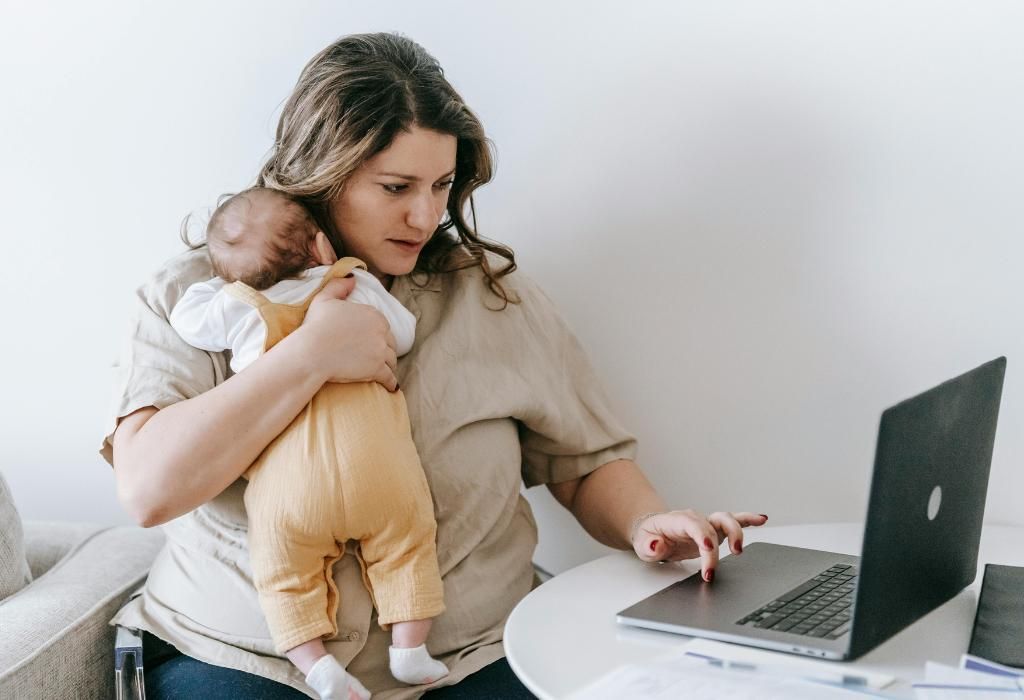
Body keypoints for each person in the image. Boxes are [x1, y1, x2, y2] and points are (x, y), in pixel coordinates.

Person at [104, 32, 767, 699]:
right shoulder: (197, 297)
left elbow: (584, 462)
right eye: (396, 187)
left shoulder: (492, 297)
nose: (425, 216)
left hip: (471, 655)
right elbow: (150, 490)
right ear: (322, 173)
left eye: (442, 185)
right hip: (244, 657)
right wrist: (309, 356)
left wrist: (645, 524)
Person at [168, 187, 449, 699]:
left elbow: (187, 320)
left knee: (283, 574)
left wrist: (226, 281)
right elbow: (403, 333)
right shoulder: (350, 282)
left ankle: (317, 667)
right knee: (409, 545)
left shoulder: (240, 306)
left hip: (290, 484)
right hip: (377, 466)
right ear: (321, 245)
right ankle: (409, 649)